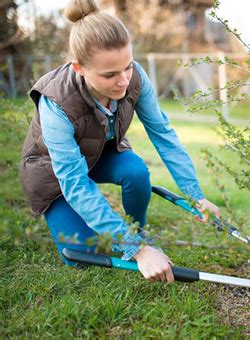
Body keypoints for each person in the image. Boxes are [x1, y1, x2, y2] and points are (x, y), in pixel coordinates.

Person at [18, 0, 219, 283]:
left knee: (136, 171)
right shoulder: (56, 103)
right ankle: (136, 245)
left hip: (99, 154)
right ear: (80, 68)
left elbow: (163, 135)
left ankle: (136, 232)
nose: (123, 80)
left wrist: (196, 195)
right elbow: (75, 183)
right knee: (83, 255)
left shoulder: (135, 76)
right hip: (53, 173)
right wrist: (137, 252)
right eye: (110, 74)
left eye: (126, 67)